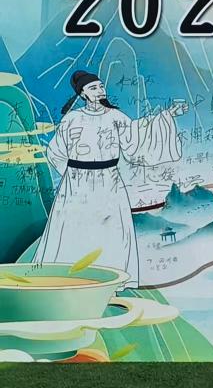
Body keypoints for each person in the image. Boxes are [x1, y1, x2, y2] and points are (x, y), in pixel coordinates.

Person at [32, 70, 188, 288]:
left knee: (111, 230)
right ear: (83, 93)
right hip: (77, 184)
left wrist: (167, 116)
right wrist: (71, 175)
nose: (99, 90)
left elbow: (138, 136)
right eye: (93, 87)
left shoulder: (115, 116)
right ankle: (68, 279)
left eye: (101, 86)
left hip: (109, 180)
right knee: (74, 228)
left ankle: (110, 281)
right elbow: (55, 151)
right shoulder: (72, 119)